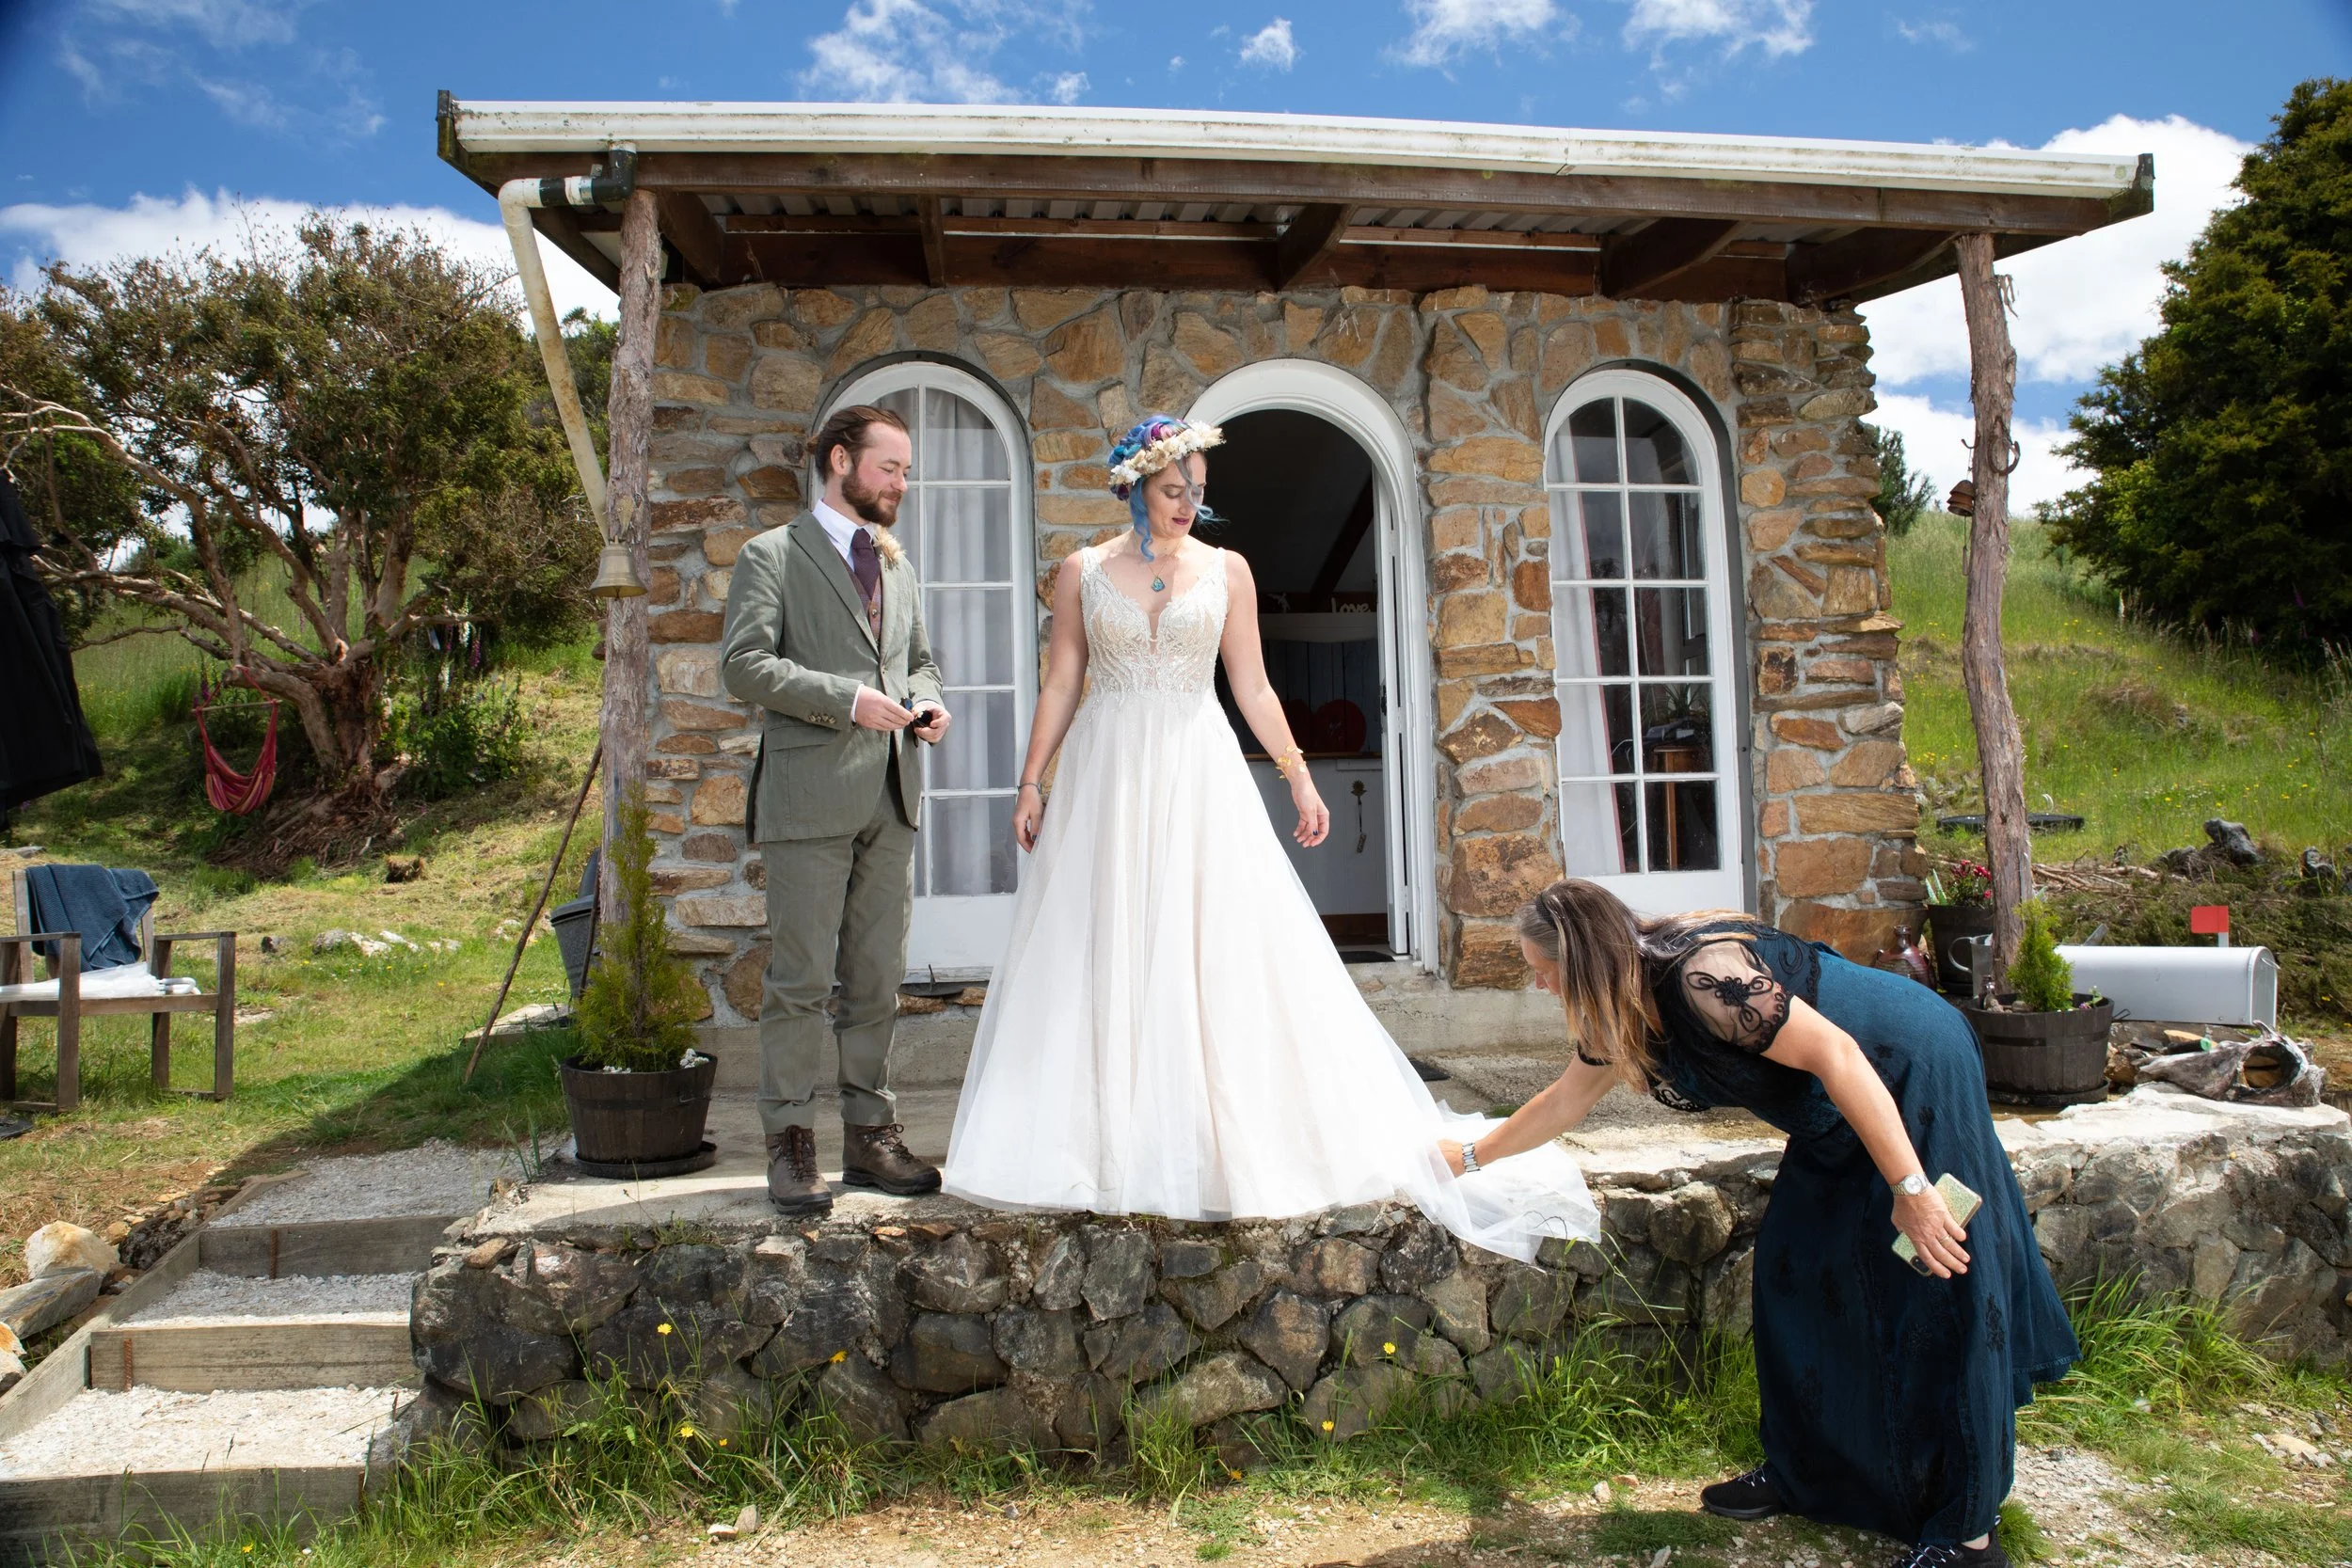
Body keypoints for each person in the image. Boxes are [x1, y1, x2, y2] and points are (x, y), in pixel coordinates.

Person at [940, 415, 1597, 1259]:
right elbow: (1064, 677)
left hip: (1194, 765)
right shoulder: (1083, 571)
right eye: (1175, 490)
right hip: (1105, 774)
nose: (1189, 505)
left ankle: (1211, 1132)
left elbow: (1251, 684)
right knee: (1100, 938)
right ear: (1136, 486)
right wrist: (1032, 780)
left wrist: (1296, 773)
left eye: (1199, 492)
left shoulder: (1229, 571)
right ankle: (1098, 1134)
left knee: (1210, 940)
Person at [1447, 879, 2078, 1568]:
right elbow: (1565, 1098)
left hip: (1908, 1068)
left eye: (1544, 971)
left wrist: (1912, 1188)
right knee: (1794, 1270)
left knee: (1934, 1283)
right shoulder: (1620, 1007)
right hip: (1830, 1109)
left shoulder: (1705, 977)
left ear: (1582, 959)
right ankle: (1809, 1474)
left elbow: (1840, 1055)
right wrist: (1470, 1156)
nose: (1539, 985)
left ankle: (1968, 1535)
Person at [720, 404, 952, 1216]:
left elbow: (918, 661)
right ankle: (789, 1144)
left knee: (878, 982)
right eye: (890, 468)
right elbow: (744, 666)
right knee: (799, 981)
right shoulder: (771, 555)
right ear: (840, 461)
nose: (901, 485)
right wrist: (847, 700)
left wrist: (927, 702)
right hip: (809, 799)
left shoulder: (899, 564)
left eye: (906, 472)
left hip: (892, 796)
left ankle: (869, 1137)